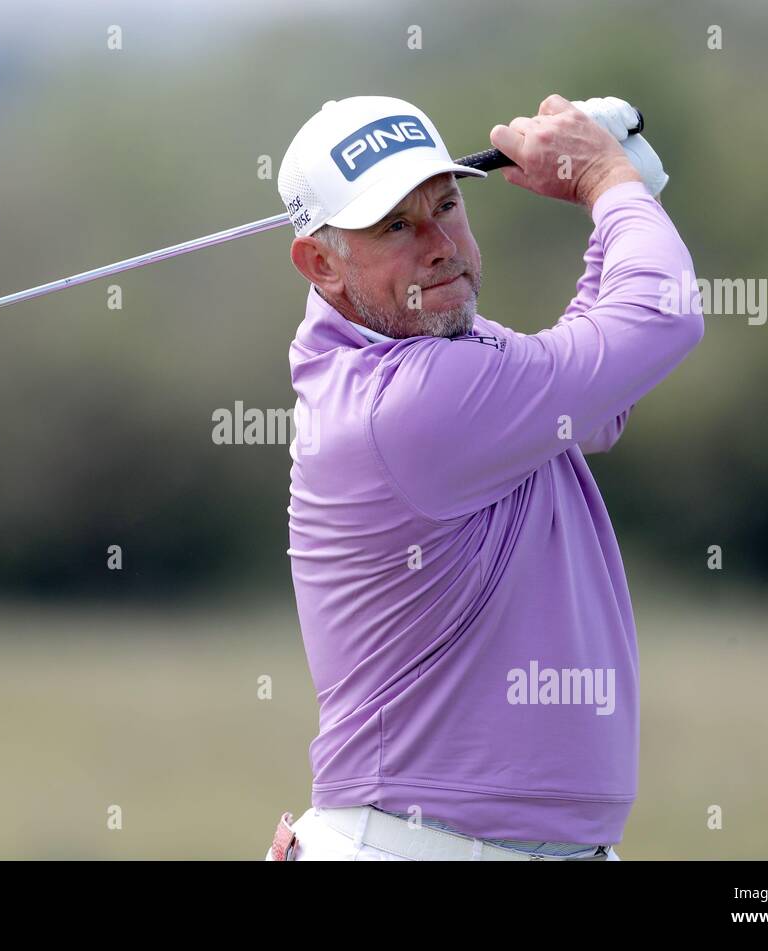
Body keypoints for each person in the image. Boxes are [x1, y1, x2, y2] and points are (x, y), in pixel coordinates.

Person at [264, 94, 700, 861]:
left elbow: (593, 401)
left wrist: (625, 197)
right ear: (321, 263)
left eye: (447, 203)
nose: (440, 244)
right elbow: (660, 315)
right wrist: (607, 181)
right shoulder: (407, 403)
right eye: (395, 224)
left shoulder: (421, 347)